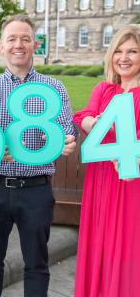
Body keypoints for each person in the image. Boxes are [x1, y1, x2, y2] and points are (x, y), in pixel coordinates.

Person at [0, 14, 77, 297]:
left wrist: (66, 139)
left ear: (34, 44)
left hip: (36, 190)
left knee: (37, 264)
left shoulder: (54, 89)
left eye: (25, 38)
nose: (19, 44)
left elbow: (67, 128)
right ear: (2, 46)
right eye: (12, 39)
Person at [73, 24, 140, 297]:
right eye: (119, 51)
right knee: (100, 243)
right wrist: (91, 121)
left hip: (131, 182)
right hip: (102, 181)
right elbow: (83, 115)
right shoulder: (104, 90)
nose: (124, 57)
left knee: (127, 245)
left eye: (133, 51)